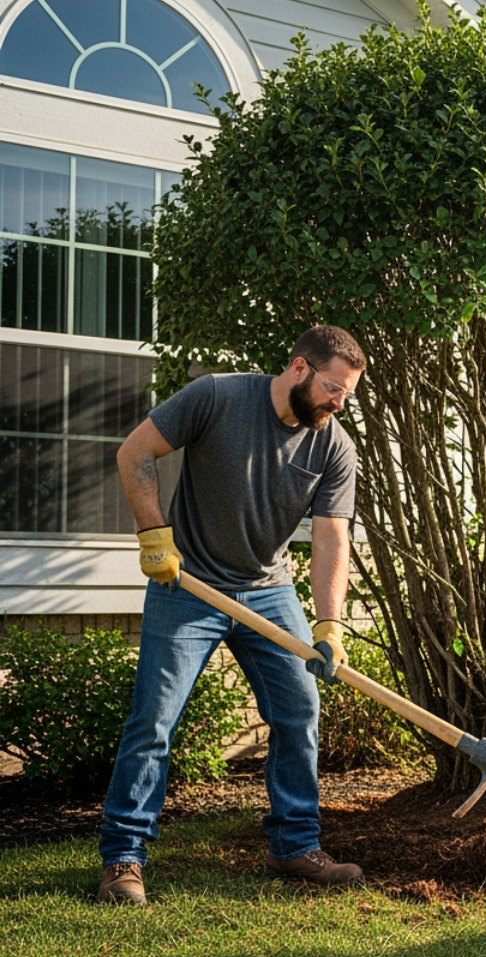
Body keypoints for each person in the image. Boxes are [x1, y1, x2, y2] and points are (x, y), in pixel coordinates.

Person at [97, 326, 368, 905]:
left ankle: (295, 845)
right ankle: (124, 855)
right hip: (188, 585)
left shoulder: (333, 445)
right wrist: (153, 535)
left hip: (269, 590)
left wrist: (328, 624)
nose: (339, 403)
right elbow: (134, 452)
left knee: (299, 711)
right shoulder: (218, 396)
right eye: (333, 389)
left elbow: (330, 538)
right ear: (299, 368)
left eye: (347, 394)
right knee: (154, 721)